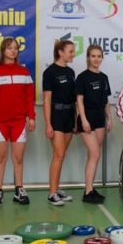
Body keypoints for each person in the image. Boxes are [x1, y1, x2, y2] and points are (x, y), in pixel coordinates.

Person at [0, 37, 35, 206]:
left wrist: (32, 117)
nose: (13, 51)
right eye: (9, 48)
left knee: (18, 158)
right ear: (3, 51)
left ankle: (19, 189)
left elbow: (29, 97)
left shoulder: (25, 73)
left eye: (16, 48)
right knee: (0, 157)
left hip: (19, 122)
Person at [75, 44, 112, 205]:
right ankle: (88, 192)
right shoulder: (82, 77)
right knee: (95, 154)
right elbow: (79, 100)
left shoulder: (104, 77)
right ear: (88, 58)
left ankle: (90, 189)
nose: (96, 59)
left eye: (99, 56)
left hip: (99, 119)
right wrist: (83, 120)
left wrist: (109, 118)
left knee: (93, 156)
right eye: (93, 56)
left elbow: (106, 100)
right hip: (87, 118)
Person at [42, 39, 76, 206]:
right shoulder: (50, 72)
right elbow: (47, 101)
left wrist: (75, 120)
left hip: (69, 115)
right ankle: (51, 193)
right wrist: (48, 124)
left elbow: (73, 99)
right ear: (60, 52)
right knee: (59, 155)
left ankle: (56, 188)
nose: (73, 54)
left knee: (62, 155)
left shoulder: (71, 72)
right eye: (70, 51)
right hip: (56, 116)